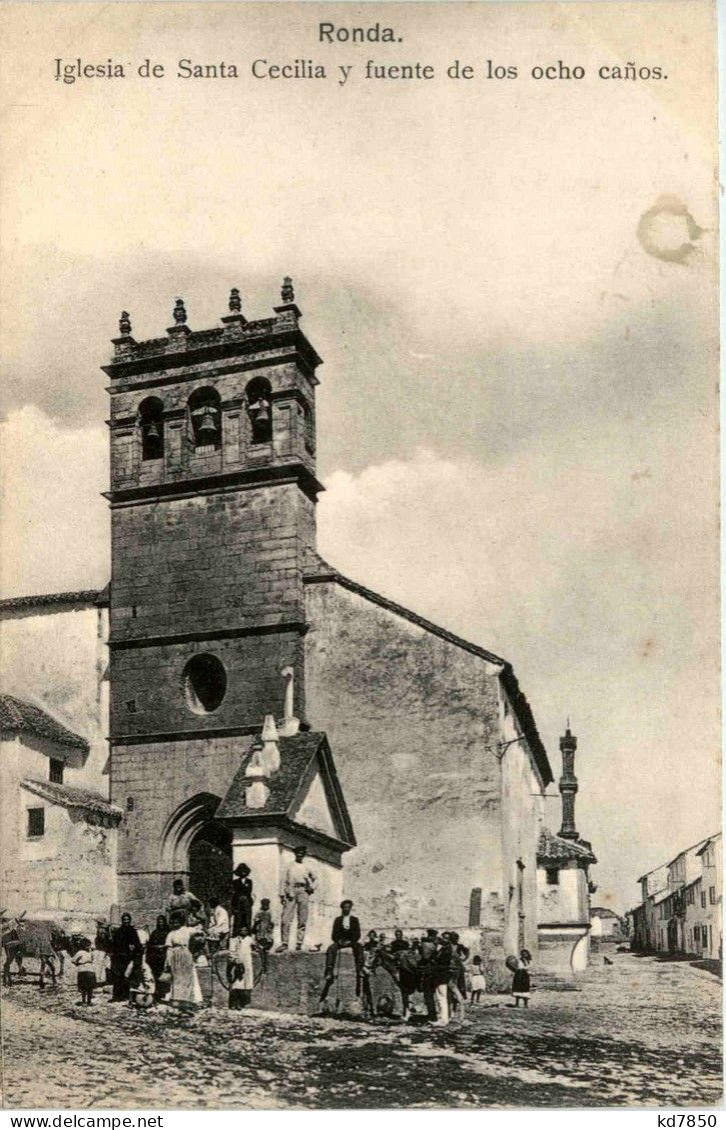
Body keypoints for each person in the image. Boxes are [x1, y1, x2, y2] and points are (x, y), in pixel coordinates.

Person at [319, 899, 363, 1003]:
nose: (346, 909)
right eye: (344, 907)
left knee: (359, 947)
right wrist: (339, 941)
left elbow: (358, 934)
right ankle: (329, 971)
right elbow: (334, 934)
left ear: (350, 908)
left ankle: (360, 969)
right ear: (342, 908)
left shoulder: (354, 920)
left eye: (348, 907)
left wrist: (351, 941)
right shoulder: (338, 920)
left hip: (351, 941)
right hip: (341, 941)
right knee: (331, 948)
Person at [278, 846, 317, 952]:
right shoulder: (289, 865)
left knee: (302, 918)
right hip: (291, 890)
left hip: (303, 891)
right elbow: (283, 880)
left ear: (304, 854)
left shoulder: (307, 866)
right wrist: (282, 894)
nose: (300, 854)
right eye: (298, 852)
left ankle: (299, 942)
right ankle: (284, 942)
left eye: (302, 853)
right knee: (286, 918)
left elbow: (315, 879)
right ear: (295, 854)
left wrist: (311, 887)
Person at [165, 910, 204, 1009]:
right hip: (175, 955)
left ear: (181, 921)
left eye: (177, 921)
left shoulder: (187, 930)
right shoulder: (171, 934)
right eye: (173, 922)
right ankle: (177, 999)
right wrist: (168, 961)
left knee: (187, 977)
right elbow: (169, 948)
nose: (175, 923)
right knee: (177, 978)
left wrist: (197, 945)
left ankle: (187, 999)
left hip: (186, 954)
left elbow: (200, 931)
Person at [110, 914, 142, 1002]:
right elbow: (114, 944)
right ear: (122, 920)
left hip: (128, 957)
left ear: (130, 920)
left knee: (127, 976)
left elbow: (137, 944)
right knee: (117, 976)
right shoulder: (119, 931)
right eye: (124, 919)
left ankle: (125, 996)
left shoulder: (133, 931)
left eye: (127, 919)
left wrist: (134, 948)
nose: (126, 921)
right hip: (119, 957)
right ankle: (116, 996)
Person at [229, 925, 254, 1006]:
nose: (244, 932)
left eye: (245, 930)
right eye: (242, 930)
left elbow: (255, 947)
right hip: (238, 963)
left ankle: (243, 1003)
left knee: (247, 983)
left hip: (247, 962)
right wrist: (235, 960)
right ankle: (235, 1003)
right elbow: (232, 952)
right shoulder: (235, 940)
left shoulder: (249, 939)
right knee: (237, 983)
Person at [146, 914, 170, 998]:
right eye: (159, 922)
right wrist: (155, 947)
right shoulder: (154, 932)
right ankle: (156, 992)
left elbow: (169, 944)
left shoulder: (168, 932)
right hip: (155, 957)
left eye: (162, 921)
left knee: (164, 974)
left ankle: (164, 992)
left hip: (164, 956)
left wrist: (163, 947)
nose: (160, 923)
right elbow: (150, 945)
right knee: (155, 974)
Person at [252, 898, 275, 973]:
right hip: (260, 934)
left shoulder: (270, 913)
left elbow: (273, 923)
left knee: (265, 951)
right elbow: (255, 923)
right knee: (261, 951)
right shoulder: (259, 912)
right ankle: (263, 967)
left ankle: (265, 967)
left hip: (267, 935)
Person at [71, 939, 96, 1006]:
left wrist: (77, 963)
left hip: (84, 970)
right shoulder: (87, 952)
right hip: (89, 970)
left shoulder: (81, 952)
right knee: (88, 988)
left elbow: (73, 960)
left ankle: (85, 1001)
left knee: (85, 988)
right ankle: (88, 1001)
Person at [230, 864, 254, 934]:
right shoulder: (235, 882)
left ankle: (247, 933)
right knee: (238, 918)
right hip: (238, 902)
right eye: (241, 871)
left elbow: (248, 891)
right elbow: (236, 892)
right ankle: (237, 933)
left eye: (244, 871)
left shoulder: (249, 881)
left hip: (247, 902)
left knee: (247, 918)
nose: (243, 873)